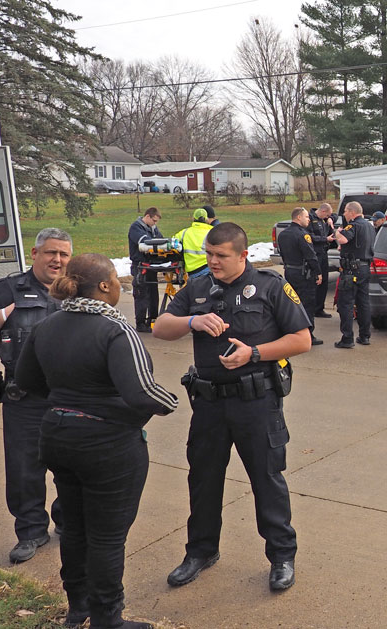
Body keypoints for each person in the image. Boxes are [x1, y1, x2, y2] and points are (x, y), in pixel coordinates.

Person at [16, 253, 178, 629]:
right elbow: (141, 393)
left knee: (74, 528)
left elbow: (27, 381)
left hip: (58, 437)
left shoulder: (48, 324)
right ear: (105, 285)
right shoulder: (114, 329)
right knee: (106, 537)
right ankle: (108, 619)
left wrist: (67, 400)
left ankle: (78, 609)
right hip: (107, 445)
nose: (122, 286)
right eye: (117, 280)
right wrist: (170, 401)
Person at [152, 222, 311, 593]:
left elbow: (301, 339)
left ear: (242, 255)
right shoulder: (198, 285)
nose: (212, 261)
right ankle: (200, 552)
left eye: (220, 255)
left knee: (266, 480)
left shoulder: (270, 286)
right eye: (208, 254)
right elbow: (161, 326)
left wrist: (254, 353)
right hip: (208, 404)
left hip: (256, 402)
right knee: (203, 479)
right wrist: (193, 319)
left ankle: (281, 556)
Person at [0, 228, 71, 564]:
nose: (57, 260)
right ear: (35, 254)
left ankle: (66, 520)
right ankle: (30, 531)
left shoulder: (77, 290)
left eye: (64, 254)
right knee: (25, 469)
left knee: (72, 466)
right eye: (51, 253)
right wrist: (6, 312)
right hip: (24, 400)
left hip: (68, 397)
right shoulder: (8, 289)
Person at [333, 201, 375, 348]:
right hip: (364, 268)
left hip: (351, 271)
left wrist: (337, 232)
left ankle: (347, 338)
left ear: (352, 212)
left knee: (346, 304)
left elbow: (343, 238)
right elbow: (357, 244)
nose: (344, 214)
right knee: (363, 303)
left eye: (345, 211)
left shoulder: (353, 225)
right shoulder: (369, 226)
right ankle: (364, 336)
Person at [277, 207, 323, 346]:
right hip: (304, 274)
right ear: (298, 217)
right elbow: (310, 255)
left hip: (290, 271)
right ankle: (308, 334)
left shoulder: (283, 234)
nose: (309, 219)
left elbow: (282, 254)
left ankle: (291, 331)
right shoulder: (303, 234)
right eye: (306, 217)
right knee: (307, 304)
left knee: (292, 303)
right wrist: (318, 272)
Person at [128, 207, 164, 333]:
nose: (155, 224)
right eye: (154, 221)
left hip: (151, 266)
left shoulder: (153, 229)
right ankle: (141, 323)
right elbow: (145, 242)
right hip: (140, 265)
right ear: (147, 216)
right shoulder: (136, 228)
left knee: (153, 294)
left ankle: (152, 320)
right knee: (141, 294)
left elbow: (160, 240)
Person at [308, 203, 336, 319]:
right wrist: (325, 239)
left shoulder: (324, 220)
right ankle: (312, 308)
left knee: (324, 281)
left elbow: (335, 215)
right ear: (323, 212)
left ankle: (320, 308)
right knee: (316, 282)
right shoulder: (310, 219)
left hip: (324, 253)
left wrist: (330, 219)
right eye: (327, 215)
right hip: (315, 254)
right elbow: (309, 236)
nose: (327, 217)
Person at [173, 208, 214, 279]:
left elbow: (172, 242)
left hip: (192, 272)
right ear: (206, 219)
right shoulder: (212, 232)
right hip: (208, 268)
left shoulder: (184, 233)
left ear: (193, 218)